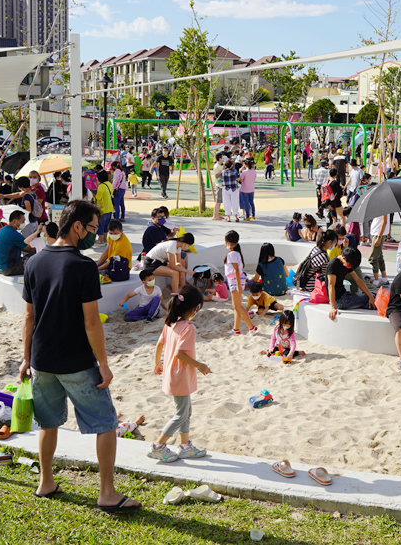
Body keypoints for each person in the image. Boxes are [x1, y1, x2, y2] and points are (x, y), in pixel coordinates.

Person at [20, 200, 139, 511]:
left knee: (48, 424)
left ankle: (45, 482)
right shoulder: (84, 267)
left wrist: (25, 358)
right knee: (105, 422)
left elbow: (28, 318)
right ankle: (107, 493)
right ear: (76, 227)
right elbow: (90, 322)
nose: (95, 236)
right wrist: (104, 364)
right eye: (92, 229)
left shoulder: (34, 262)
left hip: (41, 359)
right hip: (76, 360)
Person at [147, 285, 210, 463]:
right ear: (195, 308)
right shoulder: (188, 328)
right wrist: (200, 365)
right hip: (180, 376)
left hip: (172, 374)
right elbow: (180, 354)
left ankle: (184, 446)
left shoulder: (170, 323)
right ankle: (157, 446)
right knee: (181, 414)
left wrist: (157, 363)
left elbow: (160, 344)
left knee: (186, 411)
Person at [327, 247, 376, 318]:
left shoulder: (346, 263)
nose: (349, 267)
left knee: (372, 297)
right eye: (349, 265)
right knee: (374, 299)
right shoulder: (333, 265)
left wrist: (370, 296)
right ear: (343, 258)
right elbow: (331, 286)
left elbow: (358, 280)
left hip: (345, 295)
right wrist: (333, 308)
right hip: (339, 301)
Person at [223, 230, 256, 335]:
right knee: (236, 305)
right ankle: (236, 329)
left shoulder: (232, 254)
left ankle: (252, 327)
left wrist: (238, 286)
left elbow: (236, 270)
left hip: (234, 280)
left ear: (228, 241)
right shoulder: (236, 253)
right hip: (236, 279)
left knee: (238, 306)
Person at [0, 211, 35, 276]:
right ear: (14, 221)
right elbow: (31, 247)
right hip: (9, 268)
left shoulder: (2, 230)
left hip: (0, 267)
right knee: (37, 259)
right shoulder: (14, 234)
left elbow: (24, 247)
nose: (24, 224)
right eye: (22, 221)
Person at [369, 211, 389, 285]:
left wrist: (379, 237)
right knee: (379, 256)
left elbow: (384, 222)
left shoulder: (384, 205)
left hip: (378, 234)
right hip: (375, 232)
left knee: (373, 258)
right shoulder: (379, 204)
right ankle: (384, 279)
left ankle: (376, 281)